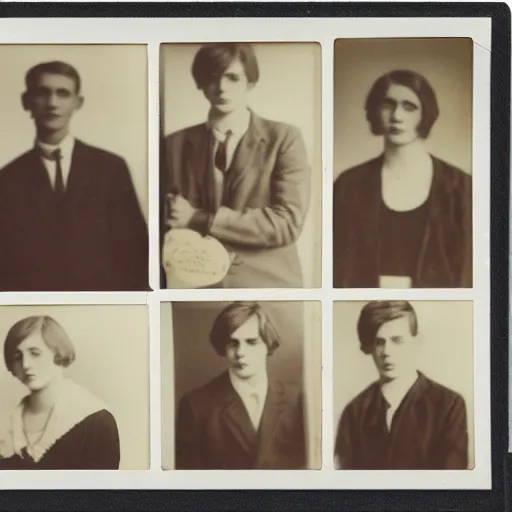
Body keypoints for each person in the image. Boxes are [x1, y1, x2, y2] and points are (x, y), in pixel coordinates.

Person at [161, 43, 311, 288]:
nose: (221, 88)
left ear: (250, 81)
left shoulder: (284, 138)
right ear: (200, 83)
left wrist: (198, 219)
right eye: (212, 78)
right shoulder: (173, 145)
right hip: (196, 286)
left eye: (232, 78)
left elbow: (287, 223)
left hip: (269, 284)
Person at [0, 61, 149, 291]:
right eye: (43, 93)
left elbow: (135, 251)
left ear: (77, 102)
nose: (52, 103)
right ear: (26, 101)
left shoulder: (111, 168)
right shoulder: (7, 179)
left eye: (63, 93)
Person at [333, 70, 472, 288]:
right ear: (375, 111)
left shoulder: (461, 187)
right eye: (388, 104)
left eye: (409, 107)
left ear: (425, 113)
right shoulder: (348, 185)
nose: (397, 116)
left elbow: (468, 271)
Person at [334, 300, 469, 470]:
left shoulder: (449, 405)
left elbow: (453, 482)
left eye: (397, 340)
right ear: (369, 347)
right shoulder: (354, 412)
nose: (387, 352)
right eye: (379, 342)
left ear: (417, 341)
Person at [175, 301, 306, 469]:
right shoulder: (196, 405)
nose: (241, 353)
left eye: (251, 342)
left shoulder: (296, 399)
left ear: (268, 344)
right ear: (223, 346)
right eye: (233, 343)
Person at [0, 315, 120, 470]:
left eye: (35, 353)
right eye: (17, 357)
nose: (26, 364)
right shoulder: (5, 427)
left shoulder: (97, 421)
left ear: (58, 353)